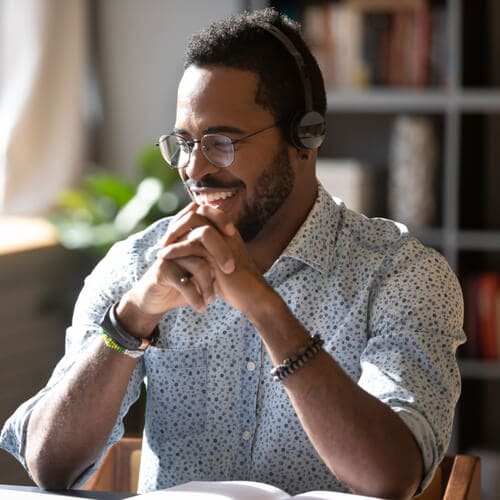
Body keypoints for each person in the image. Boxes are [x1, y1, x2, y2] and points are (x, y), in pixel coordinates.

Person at [0, 8, 465, 499]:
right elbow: (48, 467)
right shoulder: (138, 265)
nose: (194, 168)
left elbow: (390, 477)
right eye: (183, 142)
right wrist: (132, 320)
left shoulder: (403, 275)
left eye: (221, 142)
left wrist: (264, 307)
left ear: (304, 137)